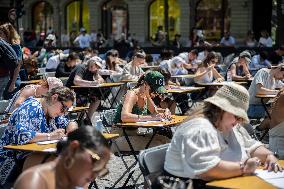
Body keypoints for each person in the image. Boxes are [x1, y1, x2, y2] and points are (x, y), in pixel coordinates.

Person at [164, 83, 282, 187]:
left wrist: (269, 156)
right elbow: (207, 170)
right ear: (220, 109)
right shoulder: (199, 128)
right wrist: (244, 168)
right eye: (236, 116)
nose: (238, 121)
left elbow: (252, 146)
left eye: (240, 118)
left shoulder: (229, 125)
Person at [0, 87, 77, 187]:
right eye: (63, 108)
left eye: (67, 110)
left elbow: (68, 122)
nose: (64, 113)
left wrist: (72, 128)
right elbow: (20, 135)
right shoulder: (30, 106)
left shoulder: (52, 112)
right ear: (54, 98)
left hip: (30, 156)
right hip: (10, 159)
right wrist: (50, 136)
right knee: (56, 164)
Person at [14, 126, 110, 189]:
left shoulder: (77, 181)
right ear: (74, 148)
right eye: (96, 162)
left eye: (101, 170)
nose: (94, 177)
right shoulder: (35, 182)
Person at [112, 71, 171, 151]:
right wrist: (151, 118)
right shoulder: (132, 94)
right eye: (154, 89)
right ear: (145, 84)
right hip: (119, 136)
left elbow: (155, 112)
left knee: (167, 140)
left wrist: (165, 111)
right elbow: (124, 116)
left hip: (133, 134)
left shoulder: (145, 95)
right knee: (157, 145)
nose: (156, 93)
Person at [0, 23, 21, 100]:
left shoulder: (15, 46)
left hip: (13, 79)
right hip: (8, 78)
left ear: (7, 34)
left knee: (8, 105)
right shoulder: (3, 46)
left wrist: (13, 83)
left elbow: (18, 66)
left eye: (1, 33)